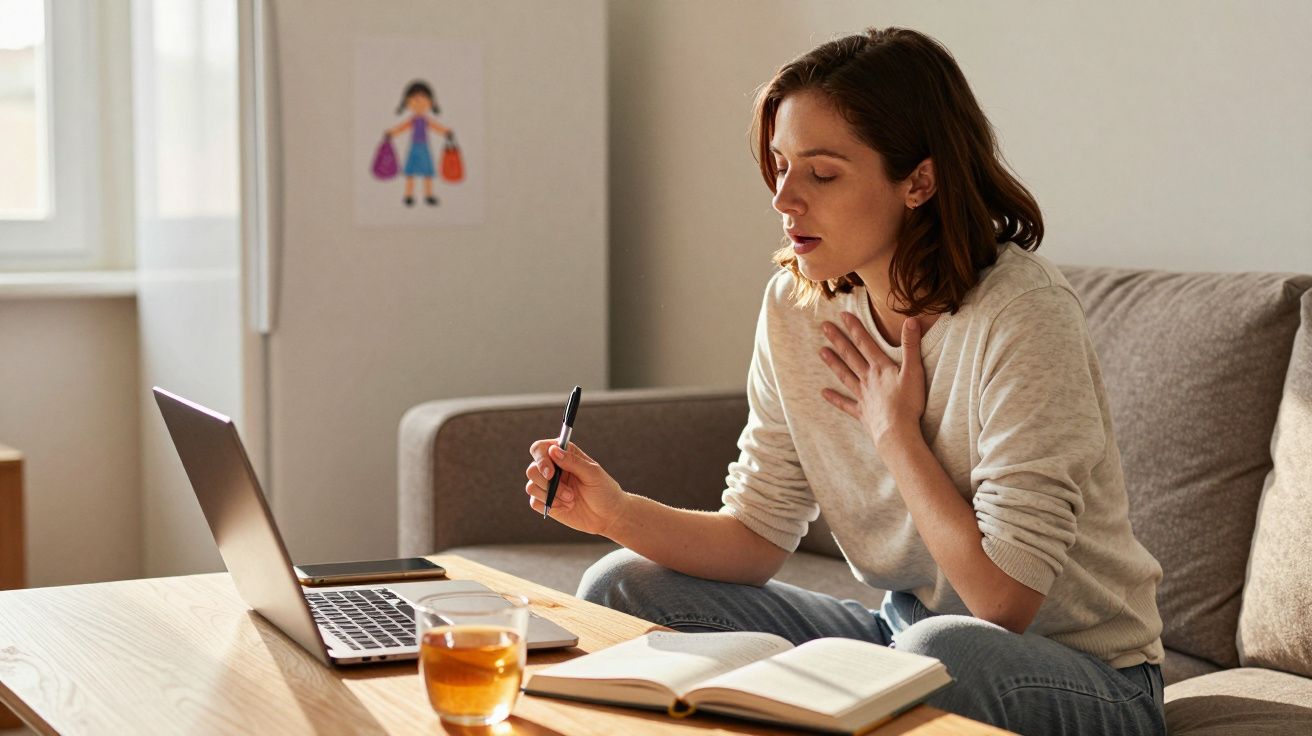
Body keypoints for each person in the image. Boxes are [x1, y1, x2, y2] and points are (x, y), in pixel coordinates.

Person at [523, 27, 1165, 736]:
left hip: (1085, 679)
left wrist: (896, 433)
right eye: (780, 165)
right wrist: (613, 512)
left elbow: (1002, 602)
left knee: (937, 654)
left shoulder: (1020, 315)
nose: (784, 199)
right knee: (620, 584)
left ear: (918, 180)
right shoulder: (797, 305)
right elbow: (758, 535)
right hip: (901, 639)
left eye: (822, 174)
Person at [386, 80, 451, 207]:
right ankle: (408, 195)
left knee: (427, 173)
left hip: (424, 148)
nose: (419, 103)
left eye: (423, 99)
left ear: (430, 102)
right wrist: (391, 133)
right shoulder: (412, 120)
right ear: (407, 102)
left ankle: (428, 195)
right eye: (414, 100)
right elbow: (401, 128)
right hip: (414, 148)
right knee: (410, 173)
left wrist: (446, 132)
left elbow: (436, 127)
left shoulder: (426, 120)